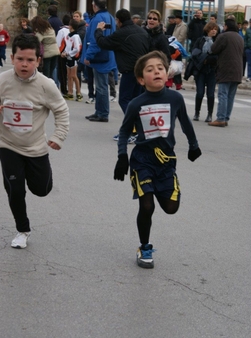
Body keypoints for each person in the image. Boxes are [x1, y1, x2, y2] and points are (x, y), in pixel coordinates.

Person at [113, 50, 201, 268]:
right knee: (147, 205)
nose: (156, 72)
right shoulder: (136, 103)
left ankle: (167, 187)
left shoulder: (175, 98)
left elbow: (186, 124)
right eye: (150, 70)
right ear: (142, 79)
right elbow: (124, 132)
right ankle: (144, 247)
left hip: (166, 160)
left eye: (160, 68)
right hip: (142, 160)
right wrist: (122, 156)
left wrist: (194, 145)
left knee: (171, 208)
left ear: (167, 73)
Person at [0, 34, 69, 249]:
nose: (24, 64)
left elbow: (61, 110)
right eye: (20, 59)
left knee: (41, 189)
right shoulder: (2, 80)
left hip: (35, 148)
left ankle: (43, 180)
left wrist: (58, 136)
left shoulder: (46, 85)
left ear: (38, 61)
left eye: (30, 60)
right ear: (12, 58)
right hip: (8, 145)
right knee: (15, 189)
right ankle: (22, 230)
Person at [94, 8, 150, 140]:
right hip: (142, 69)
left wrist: (98, 31)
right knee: (136, 101)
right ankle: (139, 130)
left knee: (125, 100)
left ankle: (132, 129)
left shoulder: (121, 33)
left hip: (130, 70)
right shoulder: (142, 31)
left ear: (118, 21)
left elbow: (103, 43)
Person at [82, 0, 116, 123]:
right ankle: (99, 112)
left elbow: (94, 40)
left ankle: (102, 113)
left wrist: (88, 56)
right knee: (101, 86)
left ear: (94, 5)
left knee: (101, 87)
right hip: (107, 55)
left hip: (100, 56)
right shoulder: (110, 17)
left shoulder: (98, 18)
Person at [208, 19, 244, 127]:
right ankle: (226, 117)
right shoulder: (239, 37)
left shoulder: (224, 36)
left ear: (227, 26)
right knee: (231, 96)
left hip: (226, 69)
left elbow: (213, 49)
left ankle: (220, 118)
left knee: (223, 94)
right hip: (238, 70)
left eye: (224, 25)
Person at [191, 22, 218, 122]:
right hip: (201, 69)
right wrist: (202, 59)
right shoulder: (200, 40)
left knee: (210, 94)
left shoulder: (217, 41)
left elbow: (218, 56)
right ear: (207, 30)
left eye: (215, 29)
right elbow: (194, 52)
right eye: (212, 29)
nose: (214, 31)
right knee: (200, 93)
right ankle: (197, 113)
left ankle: (209, 114)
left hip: (212, 70)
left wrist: (208, 59)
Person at [61, 19, 83, 101]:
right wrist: (64, 52)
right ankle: (70, 92)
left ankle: (78, 93)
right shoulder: (69, 35)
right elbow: (68, 46)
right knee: (69, 75)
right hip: (68, 57)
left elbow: (77, 48)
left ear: (71, 26)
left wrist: (68, 53)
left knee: (74, 76)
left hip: (73, 57)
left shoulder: (75, 36)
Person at [56, 14, 70, 96]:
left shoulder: (61, 31)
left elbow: (58, 43)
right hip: (70, 53)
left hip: (62, 53)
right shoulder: (71, 30)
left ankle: (64, 89)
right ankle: (70, 89)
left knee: (62, 72)